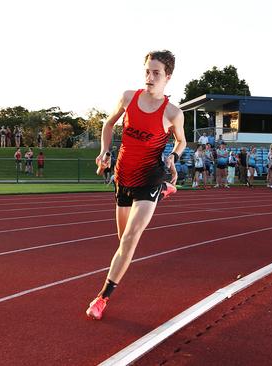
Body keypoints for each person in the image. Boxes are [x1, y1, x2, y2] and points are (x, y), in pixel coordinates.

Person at [86, 50, 185, 320]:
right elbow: (107, 124)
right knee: (122, 242)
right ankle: (164, 192)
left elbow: (181, 141)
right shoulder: (128, 97)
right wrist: (105, 151)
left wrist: (173, 157)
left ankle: (102, 298)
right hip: (123, 176)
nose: (149, 77)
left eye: (156, 73)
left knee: (130, 239)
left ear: (168, 77)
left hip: (149, 176)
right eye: (147, 72)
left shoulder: (173, 113)